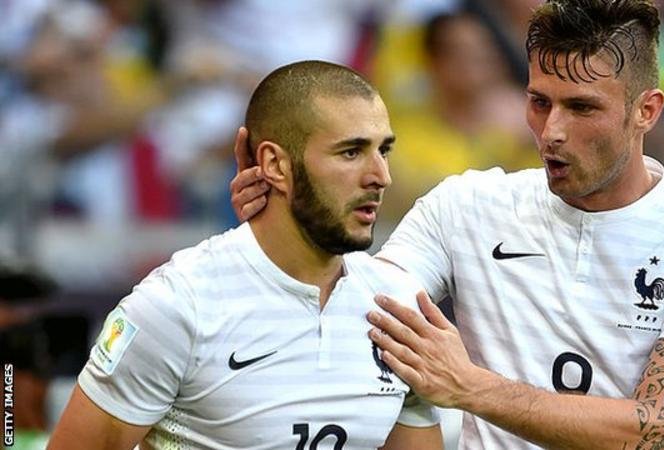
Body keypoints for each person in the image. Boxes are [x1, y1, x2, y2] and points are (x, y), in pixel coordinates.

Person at [230, 1, 664, 449]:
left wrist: (472, 388)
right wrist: (284, 231)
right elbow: (357, 316)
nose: (552, 131)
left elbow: (659, 429)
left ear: (646, 111)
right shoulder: (466, 204)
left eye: (581, 108)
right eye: (539, 102)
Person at [48, 60, 443, 450]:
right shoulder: (178, 305)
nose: (380, 176)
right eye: (351, 152)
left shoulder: (399, 308)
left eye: (383, 151)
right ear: (275, 164)